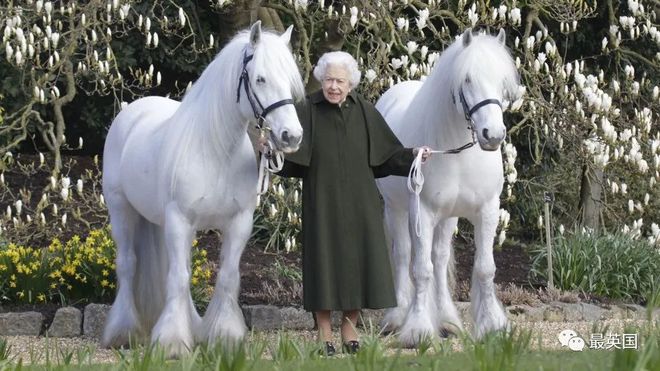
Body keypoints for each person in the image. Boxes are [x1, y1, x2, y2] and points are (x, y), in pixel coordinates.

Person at [273, 51, 430, 356]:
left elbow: (387, 155)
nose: (333, 86)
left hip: (361, 204)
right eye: (329, 79)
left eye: (340, 81)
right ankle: (324, 334)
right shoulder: (306, 109)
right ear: (321, 79)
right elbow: (290, 159)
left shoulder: (365, 111)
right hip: (322, 201)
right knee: (323, 265)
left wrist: (414, 155)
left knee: (359, 264)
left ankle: (349, 329)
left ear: (351, 83)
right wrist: (271, 153)